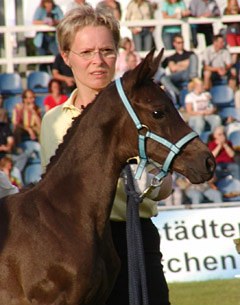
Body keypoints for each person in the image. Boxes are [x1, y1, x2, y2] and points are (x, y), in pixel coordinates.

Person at [40, 6, 172, 305]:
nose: (97, 61)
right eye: (86, 52)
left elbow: (165, 188)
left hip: (134, 239)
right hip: (72, 249)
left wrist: (149, 181)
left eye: (106, 51)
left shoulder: (144, 112)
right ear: (66, 56)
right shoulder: (52, 120)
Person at [158, 34, 198, 104]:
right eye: (179, 43)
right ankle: (177, 94)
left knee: (193, 58)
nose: (181, 44)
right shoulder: (171, 57)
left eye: (182, 42)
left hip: (188, 74)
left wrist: (177, 64)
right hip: (178, 76)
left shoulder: (190, 54)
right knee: (163, 78)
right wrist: (184, 64)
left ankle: (193, 78)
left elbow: (176, 67)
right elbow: (173, 69)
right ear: (174, 44)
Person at [32, 0, 64, 71]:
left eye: (50, 3)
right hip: (42, 38)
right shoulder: (40, 9)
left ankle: (55, 76)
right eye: (47, 3)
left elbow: (63, 20)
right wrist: (44, 22)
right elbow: (34, 21)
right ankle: (43, 76)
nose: (49, 5)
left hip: (54, 38)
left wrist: (54, 21)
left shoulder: (57, 9)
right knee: (42, 60)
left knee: (57, 57)